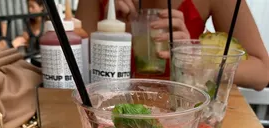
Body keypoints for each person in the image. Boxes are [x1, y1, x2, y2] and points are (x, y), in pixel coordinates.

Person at [76, 0, 269, 91]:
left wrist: (195, 58)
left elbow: (262, 71)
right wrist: (109, 35)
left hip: (186, 116)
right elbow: (77, 68)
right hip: (113, 114)